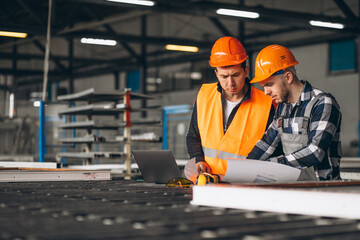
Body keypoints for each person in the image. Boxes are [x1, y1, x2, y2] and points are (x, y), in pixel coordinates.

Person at [185, 36, 275, 183]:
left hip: (246, 184)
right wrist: (198, 160)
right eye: (224, 76)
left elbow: (272, 150)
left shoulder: (266, 103)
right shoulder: (204, 96)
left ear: (246, 71)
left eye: (235, 75)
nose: (230, 83)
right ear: (216, 74)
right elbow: (193, 136)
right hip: (208, 182)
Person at [247, 44, 342, 181]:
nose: (266, 92)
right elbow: (266, 144)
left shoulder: (322, 103)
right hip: (296, 189)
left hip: (324, 191)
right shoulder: (283, 108)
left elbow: (316, 152)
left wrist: (271, 165)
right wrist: (245, 167)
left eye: (269, 84)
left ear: (288, 77)